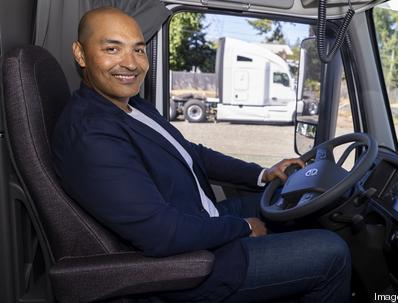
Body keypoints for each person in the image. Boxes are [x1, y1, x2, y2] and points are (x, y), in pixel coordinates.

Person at [52, 7, 351, 303]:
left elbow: (191, 153)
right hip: (195, 268)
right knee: (332, 252)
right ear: (80, 54)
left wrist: (262, 174)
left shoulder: (132, 106)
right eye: (112, 49)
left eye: (139, 50)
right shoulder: (91, 134)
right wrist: (243, 227)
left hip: (202, 217)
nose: (131, 63)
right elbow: (162, 233)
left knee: (293, 202)